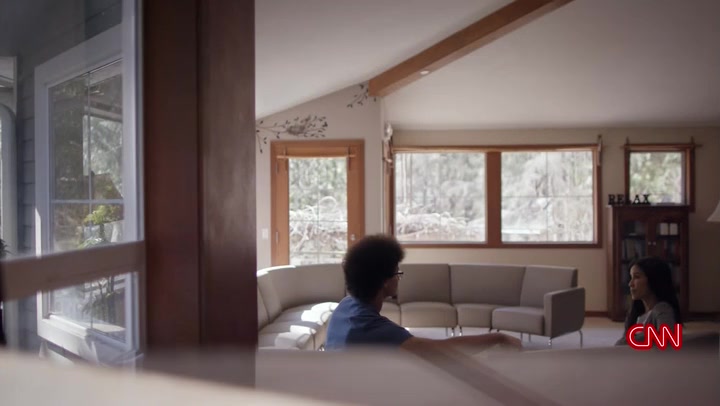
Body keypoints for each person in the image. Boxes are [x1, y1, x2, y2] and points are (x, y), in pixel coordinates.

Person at [325, 234, 522, 355]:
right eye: (397, 273)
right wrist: (497, 338)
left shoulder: (345, 307)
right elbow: (442, 351)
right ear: (385, 281)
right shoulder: (375, 329)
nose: (399, 278)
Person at [615, 256, 683, 346]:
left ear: (653, 280)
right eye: (631, 277)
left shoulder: (662, 309)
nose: (630, 284)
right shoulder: (635, 312)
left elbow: (667, 336)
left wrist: (628, 341)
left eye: (637, 277)